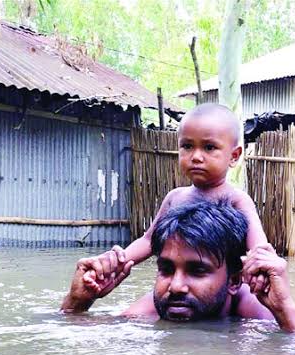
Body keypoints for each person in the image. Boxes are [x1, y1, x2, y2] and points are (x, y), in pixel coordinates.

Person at [80, 102, 269, 299]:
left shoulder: (237, 200)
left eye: (209, 147)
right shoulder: (176, 198)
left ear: (234, 156)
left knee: (257, 311)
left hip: (228, 291)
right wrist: (118, 261)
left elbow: (258, 248)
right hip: (182, 286)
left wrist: (261, 271)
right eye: (187, 146)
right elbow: (148, 241)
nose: (196, 156)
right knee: (135, 313)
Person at [61, 200, 295, 337]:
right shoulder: (153, 306)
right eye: (166, 269)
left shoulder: (254, 311)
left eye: (198, 271)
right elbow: (73, 332)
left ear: (235, 281)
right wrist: (77, 302)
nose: (176, 286)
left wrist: (284, 308)